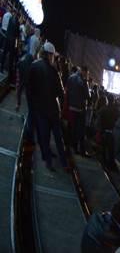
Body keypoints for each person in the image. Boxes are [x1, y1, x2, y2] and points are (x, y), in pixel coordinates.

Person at [27, 41, 69, 171]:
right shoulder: (54, 71)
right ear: (49, 55)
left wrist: (32, 107)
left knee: (45, 138)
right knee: (58, 139)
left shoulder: (34, 66)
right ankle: (64, 164)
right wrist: (62, 109)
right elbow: (61, 93)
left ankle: (49, 163)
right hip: (53, 111)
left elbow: (29, 90)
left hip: (40, 110)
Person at [67, 63, 91, 156]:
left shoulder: (71, 77)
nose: (87, 75)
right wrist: (86, 82)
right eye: (87, 73)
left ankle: (73, 147)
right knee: (81, 130)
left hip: (71, 107)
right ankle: (80, 150)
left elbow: (67, 91)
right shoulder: (83, 81)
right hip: (80, 109)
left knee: (73, 128)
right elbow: (87, 95)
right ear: (84, 72)